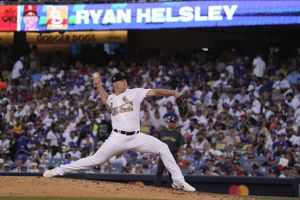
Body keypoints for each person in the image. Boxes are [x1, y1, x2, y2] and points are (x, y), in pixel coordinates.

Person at [43, 72, 196, 192]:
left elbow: (155, 92)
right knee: (94, 160)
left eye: (125, 79)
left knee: (163, 147)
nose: (124, 82)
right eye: (121, 80)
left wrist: (174, 93)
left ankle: (178, 181)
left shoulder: (135, 92)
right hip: (117, 137)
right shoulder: (112, 99)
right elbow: (104, 98)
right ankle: (58, 170)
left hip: (136, 136)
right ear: (115, 84)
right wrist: (98, 83)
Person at [154, 113, 185, 187]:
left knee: (172, 172)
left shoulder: (178, 134)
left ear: (175, 123)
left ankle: (170, 188)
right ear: (167, 122)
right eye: (170, 122)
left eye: (173, 122)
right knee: (159, 171)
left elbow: (181, 145)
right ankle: (156, 187)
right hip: (163, 153)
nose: (171, 123)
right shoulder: (161, 132)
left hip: (173, 154)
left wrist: (180, 155)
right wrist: (155, 153)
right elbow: (157, 143)